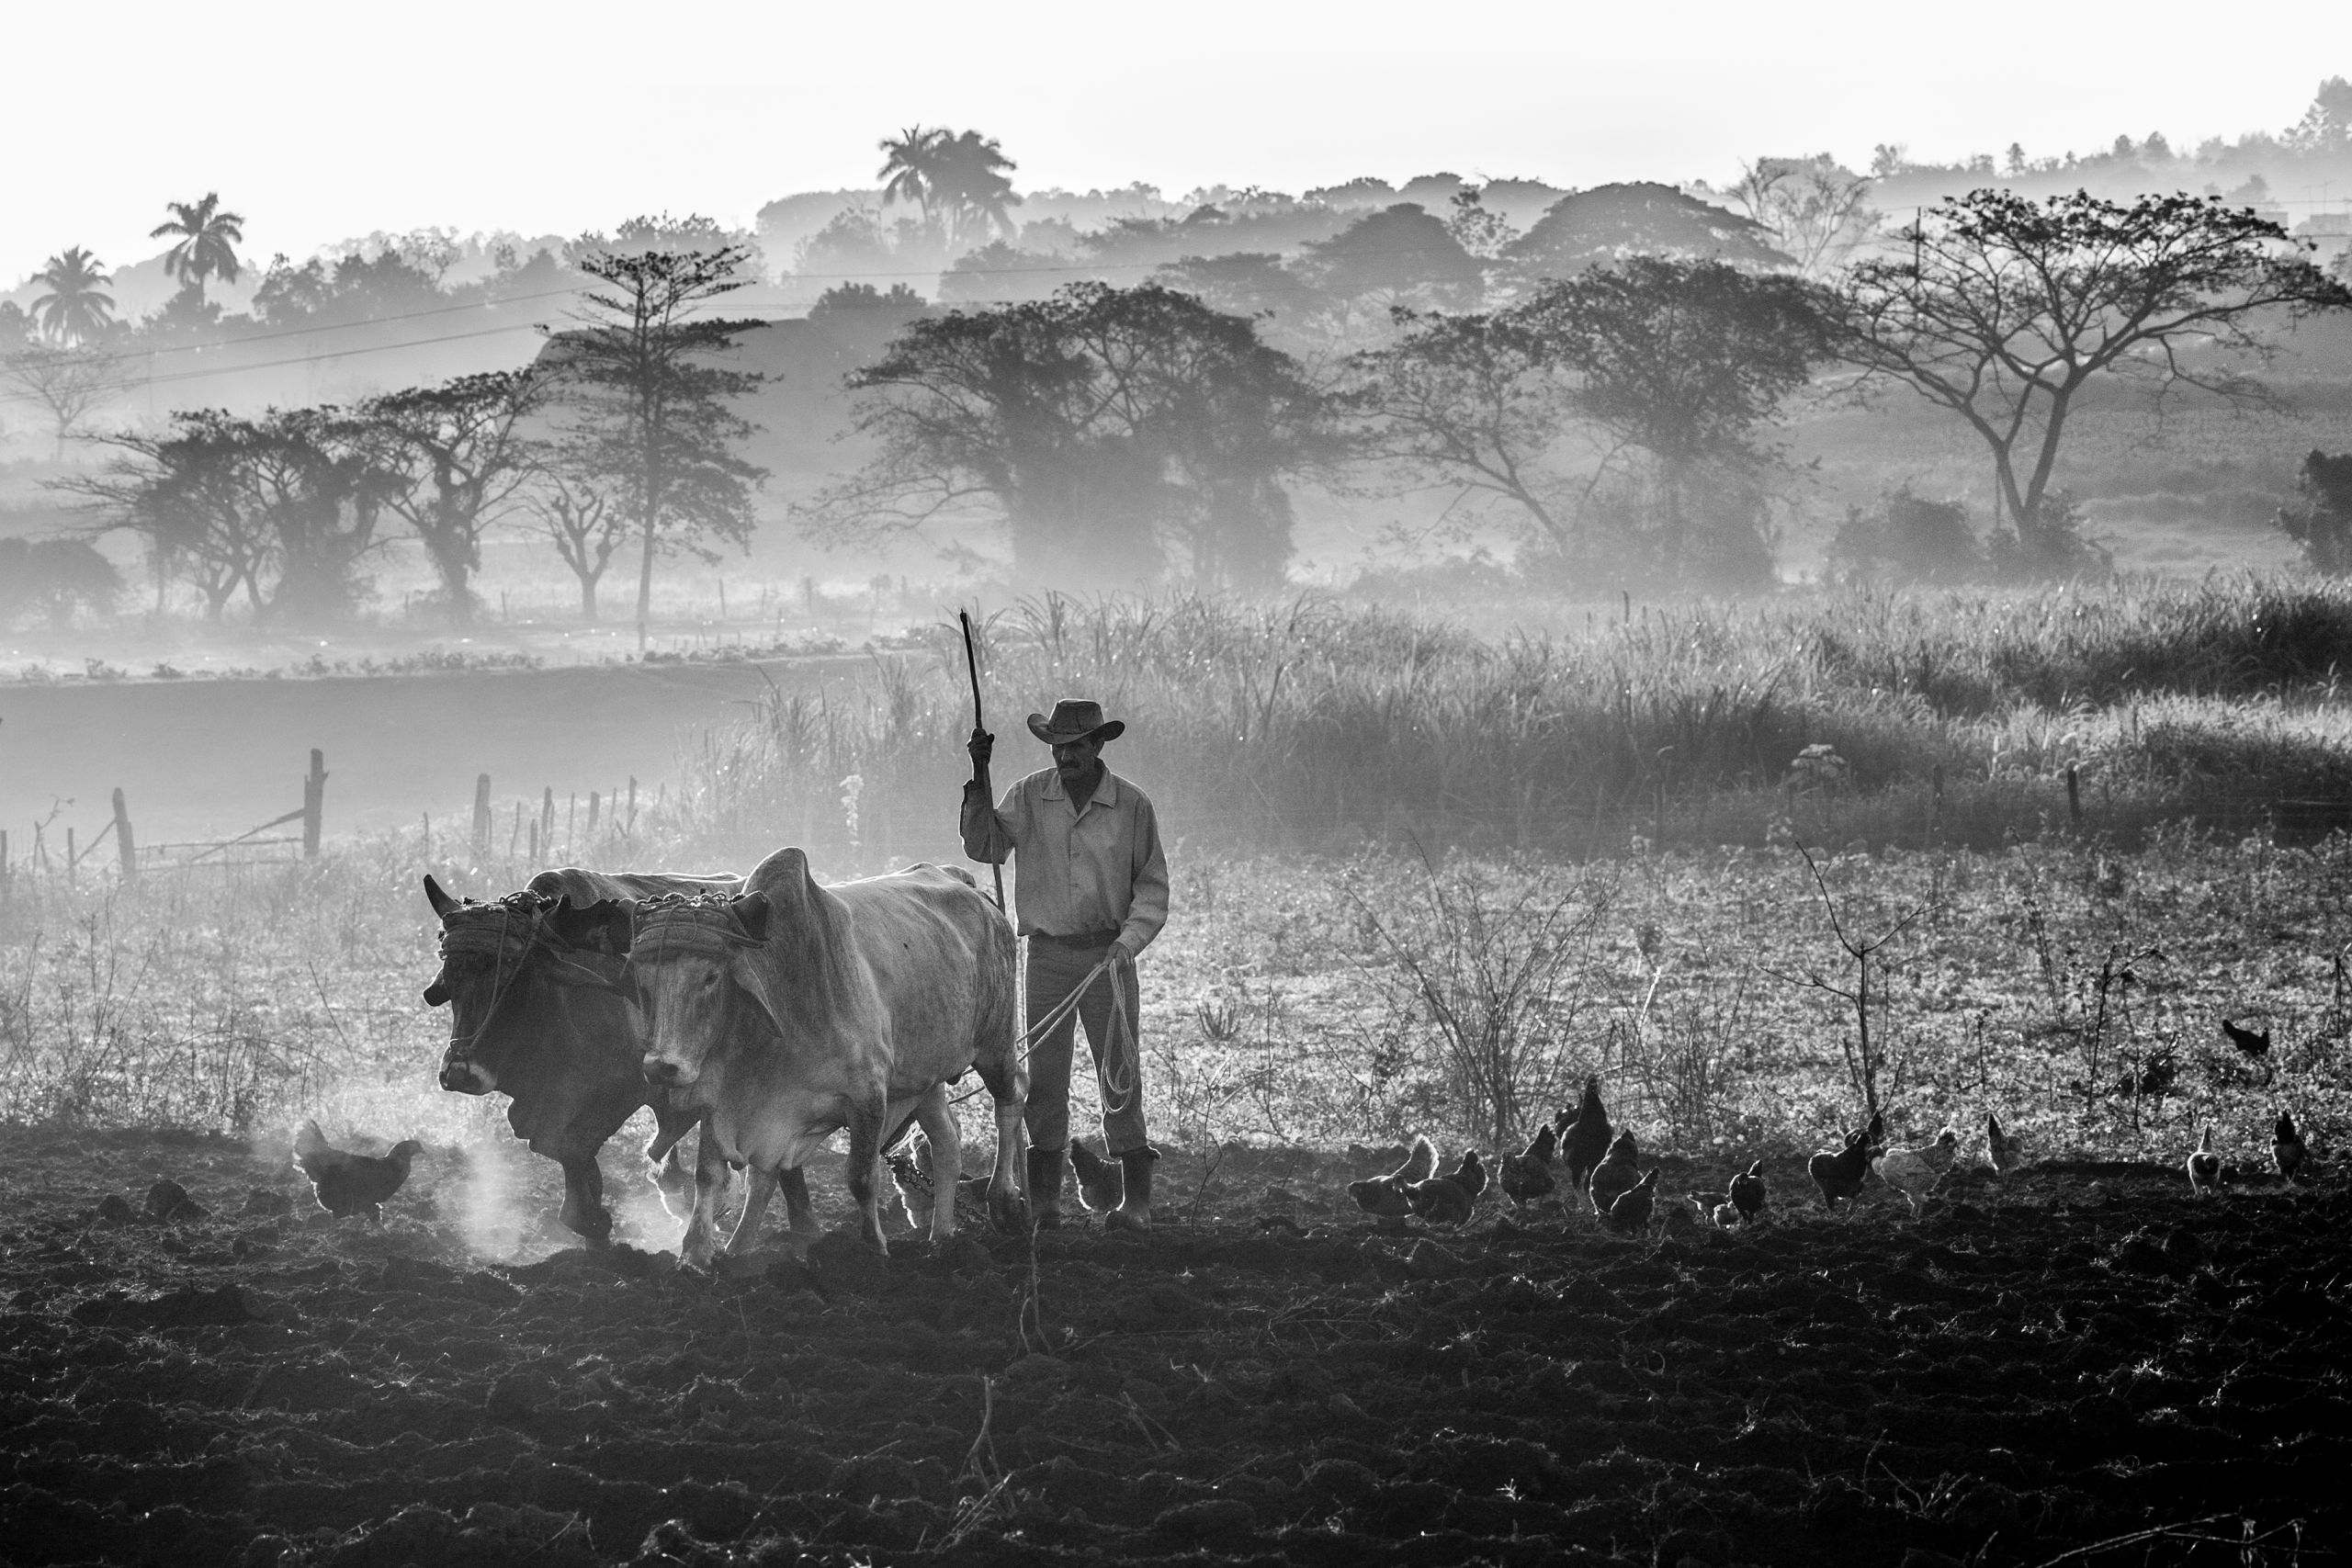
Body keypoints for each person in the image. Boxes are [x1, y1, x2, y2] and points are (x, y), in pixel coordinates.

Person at [962, 698, 1169, 1230]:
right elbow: (984, 846)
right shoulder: (1029, 796)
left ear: (1099, 746)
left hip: (1109, 958)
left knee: (1118, 1072)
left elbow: (1151, 887)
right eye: (1057, 746)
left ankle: (1136, 1206)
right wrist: (977, 775)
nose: (1064, 756)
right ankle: (1047, 1204)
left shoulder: (1132, 806)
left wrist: (1128, 942)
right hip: (1048, 957)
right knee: (1045, 1078)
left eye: (1075, 746)